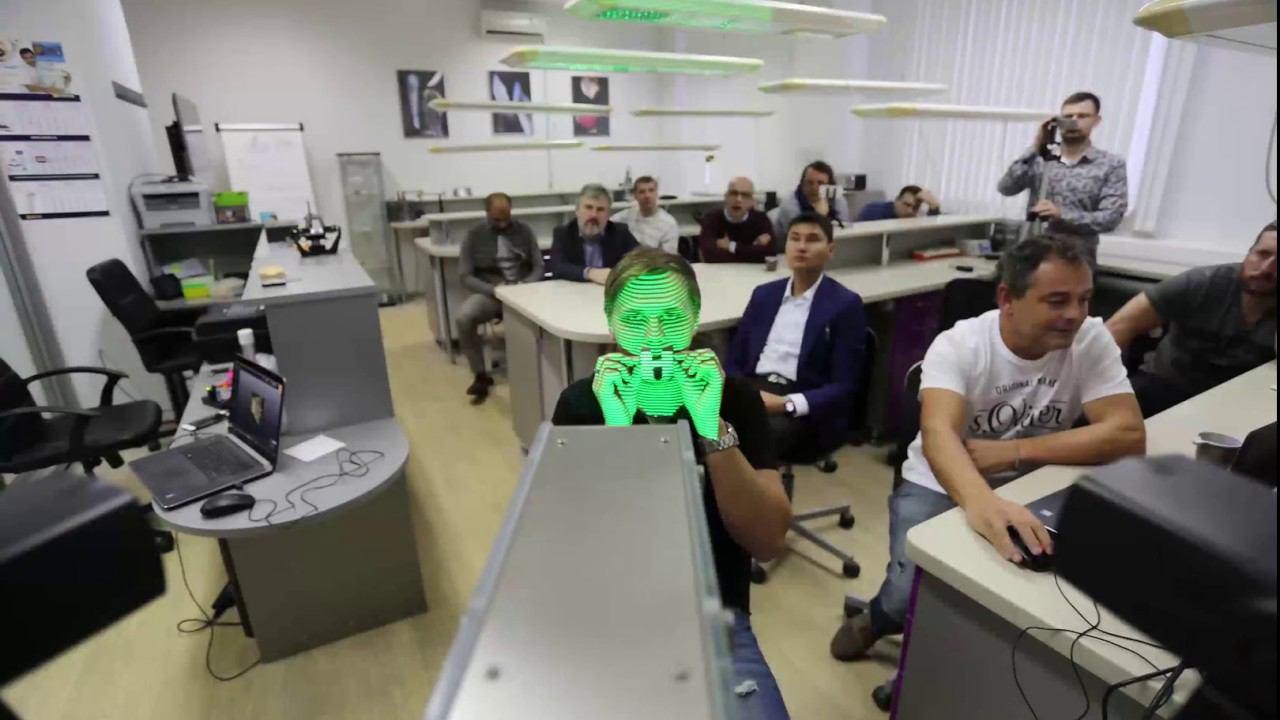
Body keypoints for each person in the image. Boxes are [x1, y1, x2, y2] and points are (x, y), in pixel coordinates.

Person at [829, 234, 1146, 661]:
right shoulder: (961, 344)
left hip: (1033, 478)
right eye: (1057, 301)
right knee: (908, 594)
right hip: (938, 480)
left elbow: (1127, 435)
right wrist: (984, 503)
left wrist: (1016, 452)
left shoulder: (1090, 339)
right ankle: (879, 616)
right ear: (1007, 298)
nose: (1075, 314)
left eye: (1084, 299)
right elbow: (939, 434)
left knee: (1033, 593)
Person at [551, 248, 793, 719]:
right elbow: (574, 550)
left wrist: (711, 427)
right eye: (635, 320)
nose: (654, 339)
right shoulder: (582, 404)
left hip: (712, 615)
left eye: (670, 319)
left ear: (695, 318)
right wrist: (619, 430)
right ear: (611, 323)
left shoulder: (733, 399)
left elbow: (766, 540)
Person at [726, 212, 866, 458]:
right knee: (692, 423)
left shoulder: (844, 304)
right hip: (754, 389)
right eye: (795, 238)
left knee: (742, 441)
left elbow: (844, 385)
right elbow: (735, 359)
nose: (801, 247)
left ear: (830, 250)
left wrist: (786, 404)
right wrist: (739, 394)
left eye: (812, 239)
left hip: (800, 399)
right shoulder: (764, 295)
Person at [1106, 222, 1277, 417]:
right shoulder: (1203, 282)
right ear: (1249, 252)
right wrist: (1101, 388)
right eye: (1262, 254)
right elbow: (1116, 329)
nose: (1267, 268)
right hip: (1165, 385)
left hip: (1240, 401)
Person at [997, 92, 1128, 255]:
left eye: (1082, 116)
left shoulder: (1110, 164)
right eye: (1068, 116)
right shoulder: (1039, 158)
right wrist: (1036, 146)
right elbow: (1006, 188)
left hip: (1076, 258)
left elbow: (1111, 218)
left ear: (1096, 121)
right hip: (1032, 255)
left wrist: (1063, 215)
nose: (1073, 122)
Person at [457, 192, 544, 403]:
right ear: (486, 213)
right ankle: (480, 375)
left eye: (507, 218)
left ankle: (541, 371)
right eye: (497, 219)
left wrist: (525, 284)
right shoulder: (474, 235)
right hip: (492, 294)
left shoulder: (524, 230)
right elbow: (465, 276)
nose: (503, 224)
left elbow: (539, 266)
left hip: (524, 291)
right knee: (464, 318)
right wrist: (493, 290)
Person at [549, 183, 639, 284]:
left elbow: (642, 259)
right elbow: (557, 267)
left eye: (600, 209)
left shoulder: (620, 232)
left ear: (608, 214)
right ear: (577, 211)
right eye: (588, 207)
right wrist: (590, 273)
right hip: (574, 291)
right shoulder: (563, 233)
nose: (594, 215)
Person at [699, 177, 775, 264]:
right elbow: (709, 255)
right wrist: (752, 249)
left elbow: (770, 254)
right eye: (734, 193)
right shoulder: (712, 219)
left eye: (745, 195)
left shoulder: (761, 219)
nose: (738, 199)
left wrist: (731, 246)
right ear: (726, 197)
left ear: (752, 201)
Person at [772, 161, 851, 238]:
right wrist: (819, 216)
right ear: (802, 184)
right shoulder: (789, 204)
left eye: (820, 183)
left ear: (830, 186)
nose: (814, 188)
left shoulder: (838, 200)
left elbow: (844, 232)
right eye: (809, 183)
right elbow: (803, 236)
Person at [610, 175, 679, 254]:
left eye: (651, 190)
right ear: (635, 196)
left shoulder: (669, 224)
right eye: (642, 192)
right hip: (629, 259)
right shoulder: (628, 214)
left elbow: (668, 258)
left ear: (656, 193)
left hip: (653, 260)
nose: (647, 196)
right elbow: (608, 223)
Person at [856, 185, 942, 221]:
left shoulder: (916, 217)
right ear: (897, 200)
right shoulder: (874, 211)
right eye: (906, 205)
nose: (909, 211)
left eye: (915, 207)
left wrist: (934, 206)